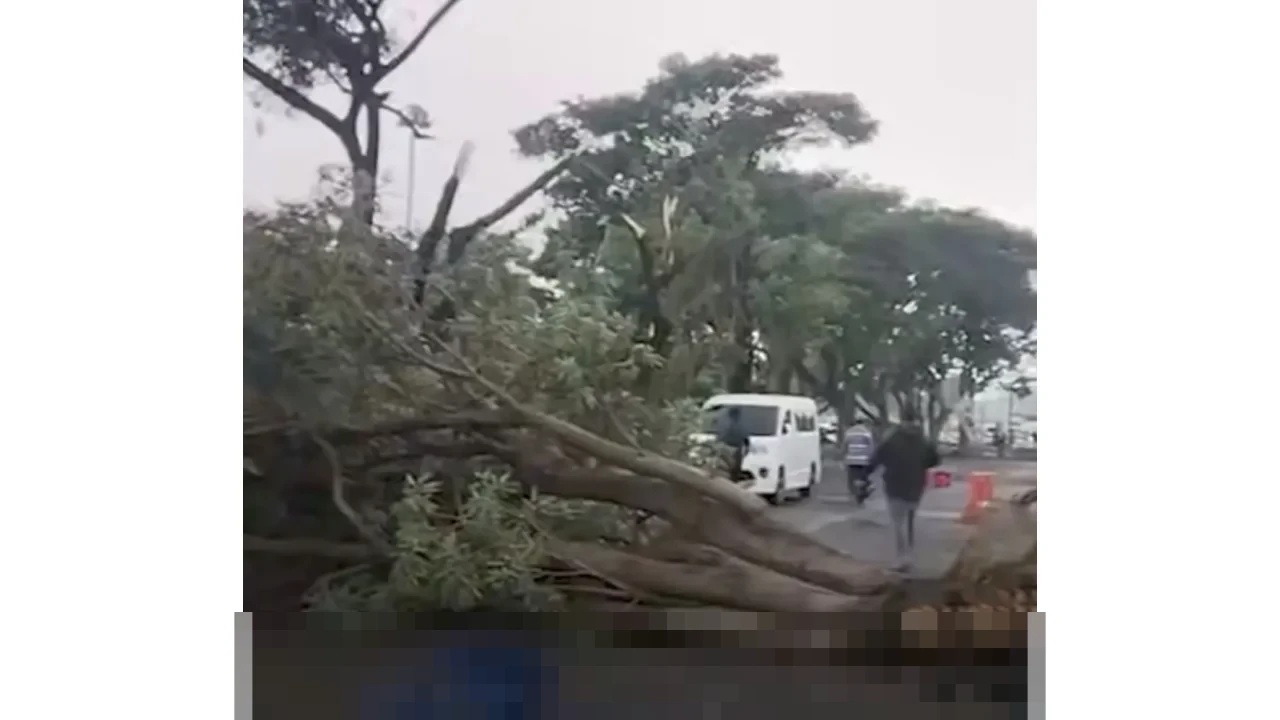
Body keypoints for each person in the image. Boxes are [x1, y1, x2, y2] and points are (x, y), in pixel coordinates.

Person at [866, 407, 941, 572]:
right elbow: (935, 459)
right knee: (910, 520)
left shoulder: (892, 438)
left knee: (898, 522)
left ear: (902, 420)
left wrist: (867, 472)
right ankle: (909, 555)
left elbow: (876, 458)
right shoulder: (922, 439)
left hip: (895, 484)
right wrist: (920, 465)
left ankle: (902, 558)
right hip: (916, 484)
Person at [715, 406, 751, 482]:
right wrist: (747, 448)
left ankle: (730, 480)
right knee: (733, 468)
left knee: (730, 468)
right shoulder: (739, 424)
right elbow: (746, 438)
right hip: (734, 448)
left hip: (728, 447)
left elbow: (720, 437)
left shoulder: (725, 423)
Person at [844, 418, 875, 497]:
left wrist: (844, 458)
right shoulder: (866, 432)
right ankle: (866, 488)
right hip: (863, 460)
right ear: (863, 423)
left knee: (852, 477)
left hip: (851, 460)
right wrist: (871, 457)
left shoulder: (849, 432)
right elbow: (871, 446)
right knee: (863, 476)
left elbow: (845, 446)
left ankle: (853, 492)